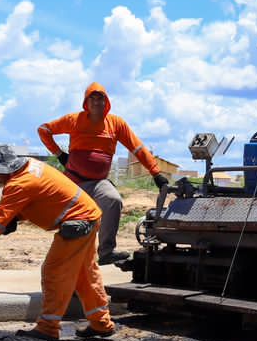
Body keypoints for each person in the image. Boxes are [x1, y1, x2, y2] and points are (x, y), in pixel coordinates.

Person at [0, 143, 116, 341]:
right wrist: (16, 218)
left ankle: (48, 327)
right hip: (88, 216)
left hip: (77, 224)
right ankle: (101, 323)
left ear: (2, 169)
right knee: (84, 275)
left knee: (54, 271)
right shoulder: (31, 167)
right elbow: (42, 198)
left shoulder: (19, 184)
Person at [37, 83, 170, 265]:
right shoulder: (73, 120)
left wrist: (156, 173)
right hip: (73, 182)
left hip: (99, 182)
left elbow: (137, 148)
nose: (97, 102)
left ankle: (106, 251)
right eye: (93, 98)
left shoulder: (116, 124)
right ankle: (67, 261)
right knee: (74, 220)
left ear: (107, 102)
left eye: (101, 98)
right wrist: (59, 154)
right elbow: (44, 130)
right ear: (86, 102)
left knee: (113, 200)